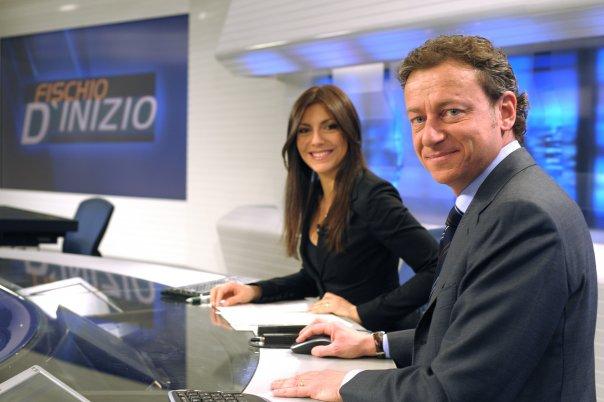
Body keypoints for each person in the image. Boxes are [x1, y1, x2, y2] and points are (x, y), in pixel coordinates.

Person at [270, 35, 597, 401]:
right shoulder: (495, 200)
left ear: (506, 111)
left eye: (452, 112)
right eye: (418, 118)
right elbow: (468, 336)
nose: (430, 135)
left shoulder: (522, 216)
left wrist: (344, 384)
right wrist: (374, 343)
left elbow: (457, 390)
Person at [210, 85, 439, 331]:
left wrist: (359, 313)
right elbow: (313, 278)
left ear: (349, 132)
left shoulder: (373, 196)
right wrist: (255, 291)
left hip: (375, 338)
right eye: (304, 130)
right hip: (337, 334)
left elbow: (437, 267)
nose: (316, 140)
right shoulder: (315, 195)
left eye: (330, 126)